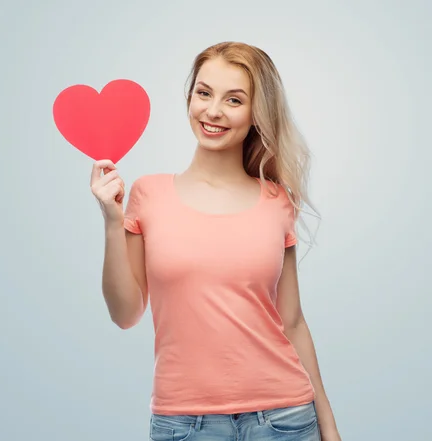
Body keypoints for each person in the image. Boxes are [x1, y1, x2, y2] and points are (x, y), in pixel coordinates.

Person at [90, 41, 341, 441]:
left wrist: (328, 425)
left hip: (284, 419)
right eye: (204, 93)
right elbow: (125, 314)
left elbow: (291, 321)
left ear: (257, 113)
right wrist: (110, 220)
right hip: (183, 424)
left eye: (234, 100)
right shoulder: (147, 194)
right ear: (190, 97)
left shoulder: (277, 202)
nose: (213, 111)